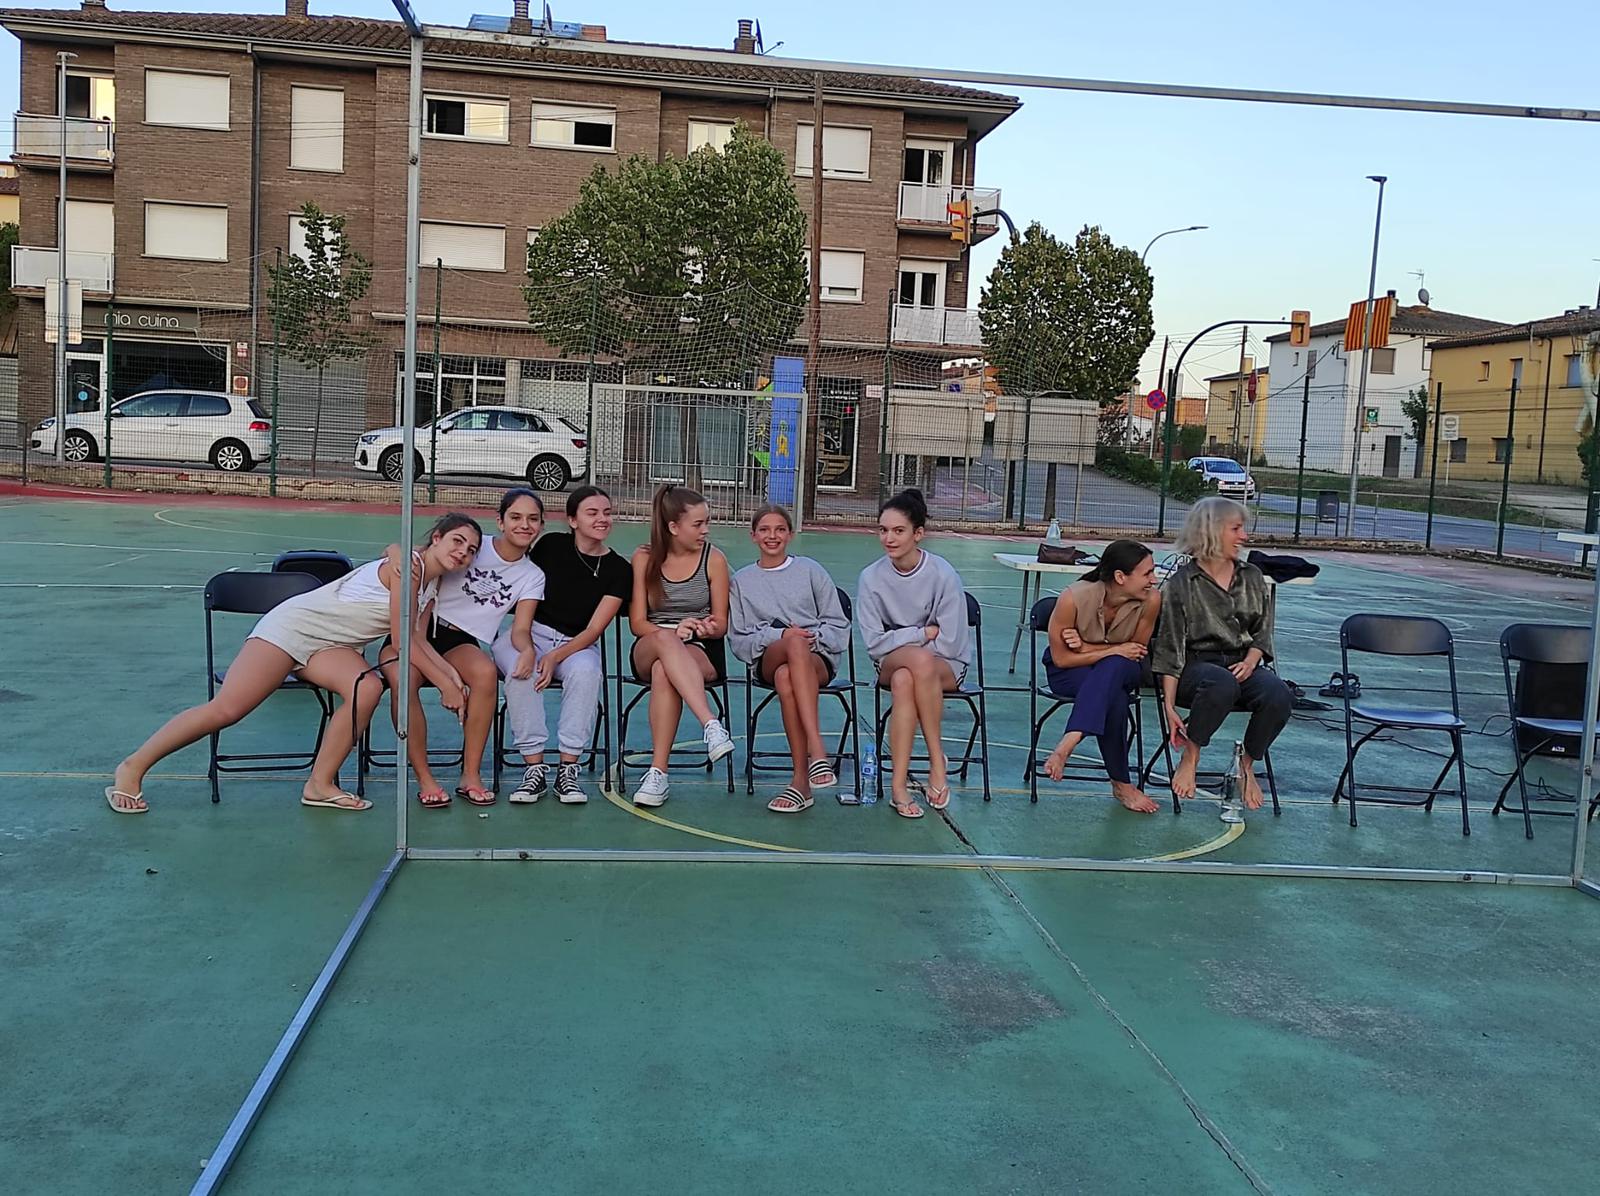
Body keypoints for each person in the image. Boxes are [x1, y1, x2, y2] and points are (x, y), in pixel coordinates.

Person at [106, 514, 483, 815]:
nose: (463, 553)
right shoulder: (409, 568)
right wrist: (446, 685)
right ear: (436, 538)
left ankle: (319, 785)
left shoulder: (431, 584)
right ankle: (132, 767)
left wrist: (452, 679)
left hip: (335, 645)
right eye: (457, 541)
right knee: (228, 709)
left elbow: (419, 639)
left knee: (366, 688)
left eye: (470, 551)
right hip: (292, 629)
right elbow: (400, 642)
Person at [381, 490, 545, 808]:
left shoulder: (532, 575)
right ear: (500, 521)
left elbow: (521, 629)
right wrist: (394, 549)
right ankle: (425, 778)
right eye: (515, 517)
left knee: (485, 673)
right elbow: (414, 554)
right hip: (417, 631)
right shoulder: (473, 544)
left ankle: (470, 775)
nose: (524, 525)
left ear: (541, 525)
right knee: (404, 680)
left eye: (533, 519)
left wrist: (528, 651)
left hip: (458, 639)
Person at [1151, 496, 1292, 811]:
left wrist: (1251, 661)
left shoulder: (1252, 576)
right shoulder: (1181, 583)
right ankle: (1191, 755)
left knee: (1278, 693)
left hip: (1243, 663)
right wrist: (1169, 705)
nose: (1244, 536)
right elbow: (1170, 647)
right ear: (1212, 530)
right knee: (1220, 683)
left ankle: (1246, 765)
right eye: (1236, 529)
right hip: (1195, 668)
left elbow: (1263, 632)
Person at [504, 484, 631, 805]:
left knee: (587, 673)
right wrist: (533, 650)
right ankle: (533, 769)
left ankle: (568, 769)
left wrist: (556, 656)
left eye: (607, 513)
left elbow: (594, 629)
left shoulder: (619, 569)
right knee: (522, 670)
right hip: (530, 634)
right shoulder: (550, 546)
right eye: (592, 513)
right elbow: (522, 588)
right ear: (573, 520)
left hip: (577, 644)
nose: (602, 519)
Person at [856, 488, 971, 819]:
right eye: (883, 530)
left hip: (946, 665)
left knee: (906, 679)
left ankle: (899, 787)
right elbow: (874, 644)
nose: (888, 538)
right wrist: (919, 634)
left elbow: (950, 644)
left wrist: (903, 644)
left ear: (918, 534)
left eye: (898, 530)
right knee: (914, 664)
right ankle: (937, 760)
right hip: (891, 661)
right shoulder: (871, 578)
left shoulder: (943, 574)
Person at [729, 504, 852, 814]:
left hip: (815, 658)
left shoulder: (810, 570)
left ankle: (800, 783)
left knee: (788, 674)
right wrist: (780, 636)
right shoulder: (742, 581)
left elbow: (838, 625)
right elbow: (740, 641)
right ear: (753, 535)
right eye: (765, 530)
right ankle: (817, 750)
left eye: (780, 529)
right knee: (791, 645)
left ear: (791, 534)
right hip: (768, 658)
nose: (772, 536)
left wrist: (813, 638)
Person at [627, 484, 734, 807]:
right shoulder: (644, 558)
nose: (706, 530)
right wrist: (675, 629)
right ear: (673, 527)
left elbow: (721, 623)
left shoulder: (714, 559)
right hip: (650, 643)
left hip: (699, 649)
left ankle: (658, 774)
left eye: (707, 522)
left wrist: (703, 627)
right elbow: (637, 623)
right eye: (698, 524)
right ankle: (710, 724)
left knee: (665, 671)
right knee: (664, 641)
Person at [1039, 539, 1162, 813]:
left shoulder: (1151, 600)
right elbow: (1062, 659)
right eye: (1147, 573)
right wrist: (1112, 649)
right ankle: (1121, 784)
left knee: (1115, 667)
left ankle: (1068, 742)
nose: (1154, 580)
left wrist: (1086, 647)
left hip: (1123, 669)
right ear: (1120, 577)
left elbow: (1135, 652)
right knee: (1114, 698)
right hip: (1069, 671)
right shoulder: (1073, 598)